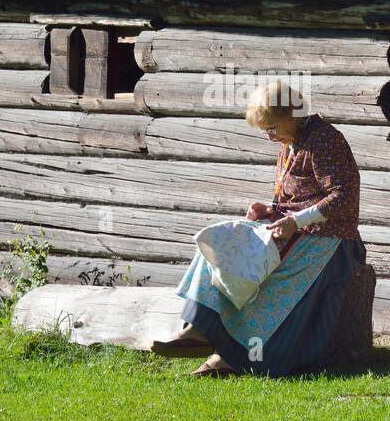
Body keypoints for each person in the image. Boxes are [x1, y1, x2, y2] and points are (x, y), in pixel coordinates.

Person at [150, 79, 366, 377]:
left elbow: (343, 197)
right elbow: (293, 198)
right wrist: (270, 209)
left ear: (292, 113)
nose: (269, 137)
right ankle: (198, 330)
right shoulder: (292, 142)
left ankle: (233, 358)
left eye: (272, 128)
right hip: (293, 228)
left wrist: (295, 221)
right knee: (220, 241)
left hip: (331, 240)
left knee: (267, 277)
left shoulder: (325, 140)